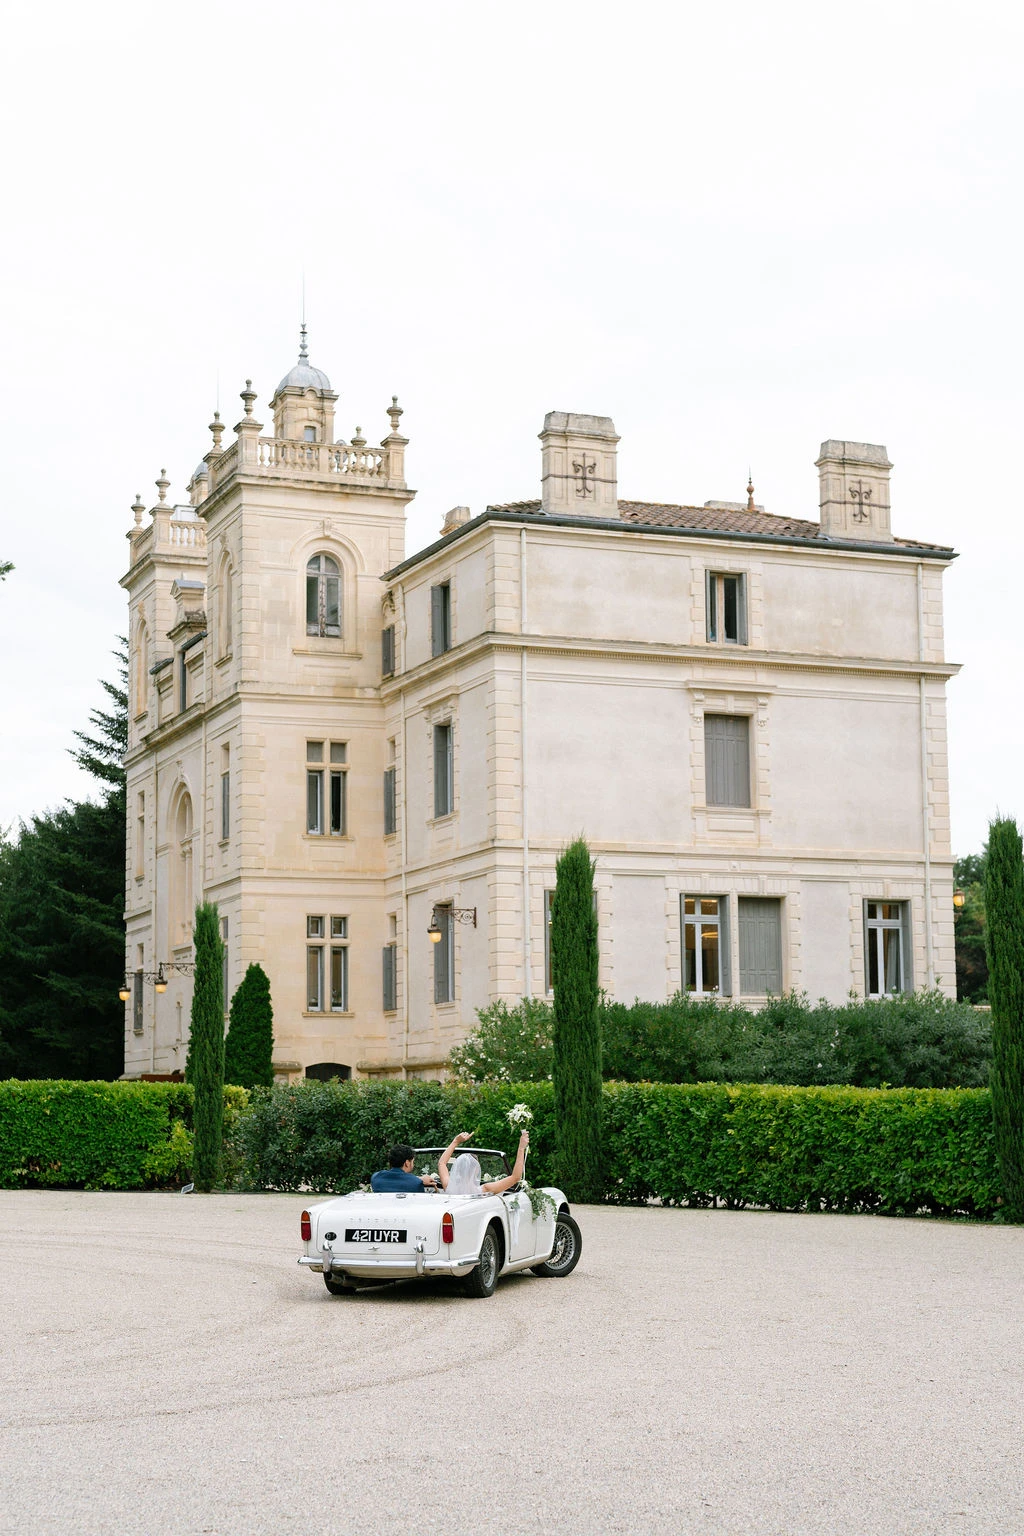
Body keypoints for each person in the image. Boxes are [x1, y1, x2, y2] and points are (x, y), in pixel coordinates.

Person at [437, 1129, 530, 1196]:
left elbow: (442, 1163)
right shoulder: (484, 1190)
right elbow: (515, 1177)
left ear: (457, 1168)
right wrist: (521, 1148)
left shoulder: (448, 1186)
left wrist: (455, 1141)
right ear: (476, 1170)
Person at [370, 1145, 438, 1193]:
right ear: (407, 1163)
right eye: (413, 1161)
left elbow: (397, 1179)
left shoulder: (376, 1177)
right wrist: (419, 1180)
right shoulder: (416, 1183)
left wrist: (419, 1179)